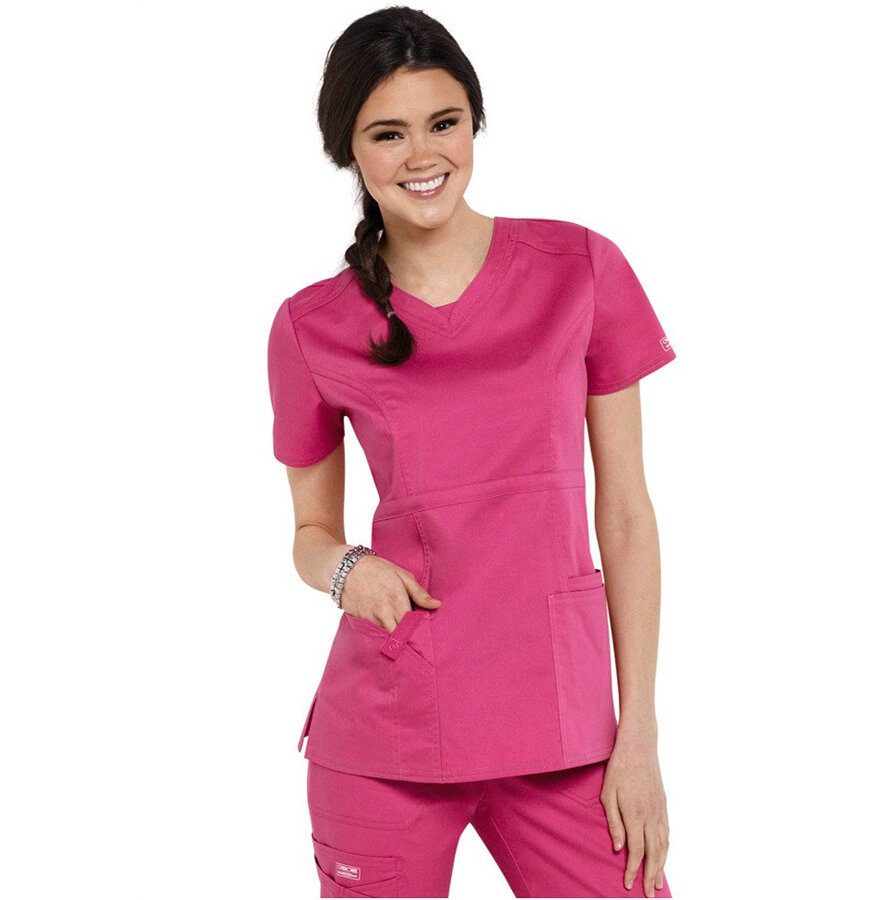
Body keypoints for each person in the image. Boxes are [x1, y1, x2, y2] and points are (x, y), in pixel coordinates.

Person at [267, 7, 676, 898]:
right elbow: (309, 535)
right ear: (348, 151)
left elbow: (626, 512)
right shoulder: (310, 327)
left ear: (474, 125)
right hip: (389, 732)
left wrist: (637, 734)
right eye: (388, 133)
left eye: (444, 123)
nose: (422, 155)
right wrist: (347, 572)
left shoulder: (581, 269)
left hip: (563, 724)